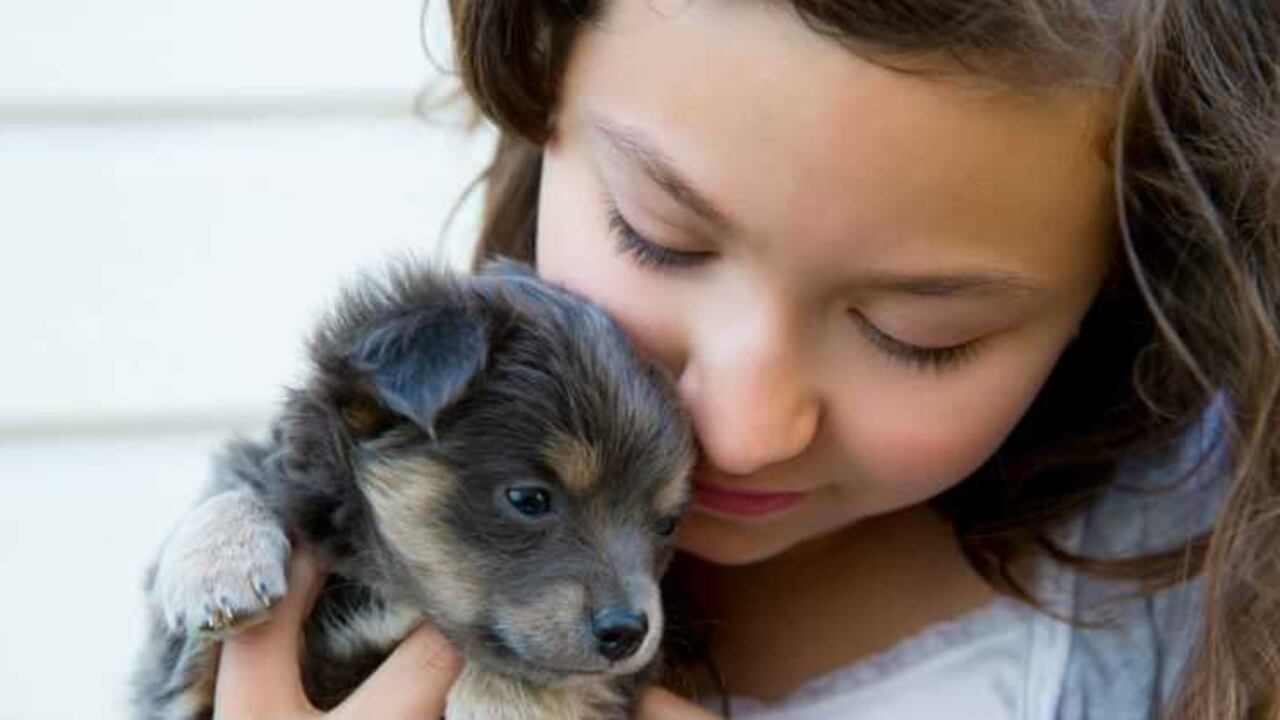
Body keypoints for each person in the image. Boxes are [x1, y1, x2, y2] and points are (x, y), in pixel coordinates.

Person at [210, 1, 1280, 718]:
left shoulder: (1210, 594)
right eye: (659, 239)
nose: (739, 428)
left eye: (916, 334)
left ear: (1130, 281)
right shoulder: (359, 500)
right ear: (537, 74)